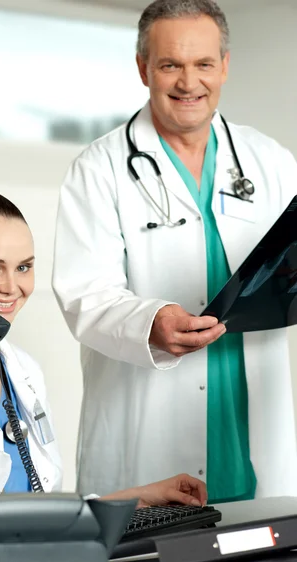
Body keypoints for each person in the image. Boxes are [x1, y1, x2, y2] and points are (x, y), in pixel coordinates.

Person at [52, 0, 297, 501]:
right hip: (147, 440)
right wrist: (151, 321)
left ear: (225, 66)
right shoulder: (100, 168)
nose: (190, 82)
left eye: (204, 64)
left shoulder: (270, 161)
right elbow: (84, 295)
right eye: (171, 65)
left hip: (249, 427)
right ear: (143, 68)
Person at [0, 190, 206, 540]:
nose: (12, 288)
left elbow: (33, 505)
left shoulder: (22, 369)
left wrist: (131, 499)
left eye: (24, 267)